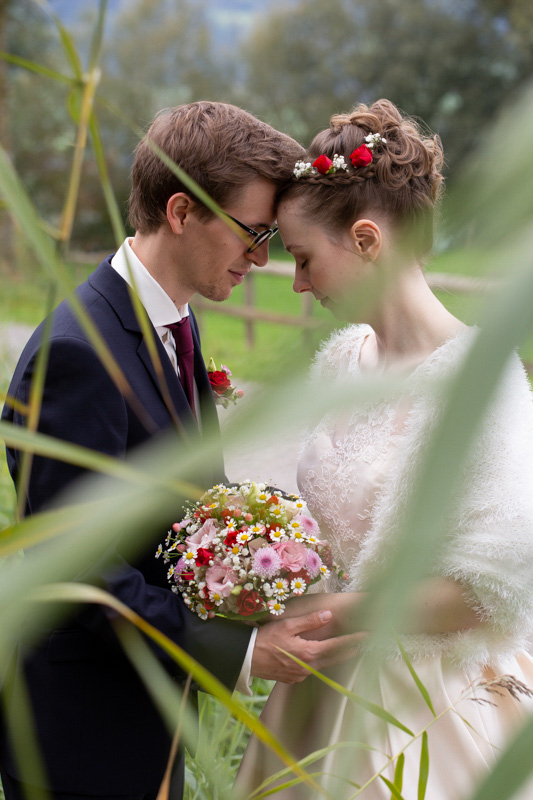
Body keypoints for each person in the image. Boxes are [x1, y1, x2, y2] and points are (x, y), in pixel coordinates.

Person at [0, 101, 362, 800]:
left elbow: (183, 519)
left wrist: (264, 581)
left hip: (146, 722)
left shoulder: (173, 323)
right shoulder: (79, 353)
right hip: (81, 744)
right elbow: (74, 576)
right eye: (252, 234)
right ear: (179, 212)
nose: (260, 259)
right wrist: (246, 651)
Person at [236, 99, 533, 798]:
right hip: (317, 692)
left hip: (420, 707)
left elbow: (492, 592)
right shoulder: (344, 361)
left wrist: (342, 613)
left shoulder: (479, 381)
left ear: (366, 240)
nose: (299, 284)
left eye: (305, 259)